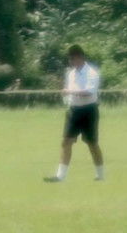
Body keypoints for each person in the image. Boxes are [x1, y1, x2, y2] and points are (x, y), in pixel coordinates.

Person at [44, 45, 105, 183]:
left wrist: (70, 92)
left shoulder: (91, 73)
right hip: (74, 110)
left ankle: (100, 175)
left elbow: (89, 91)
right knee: (66, 141)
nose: (71, 61)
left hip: (89, 110)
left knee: (92, 143)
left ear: (81, 57)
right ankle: (60, 176)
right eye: (70, 58)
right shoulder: (71, 74)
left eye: (73, 58)